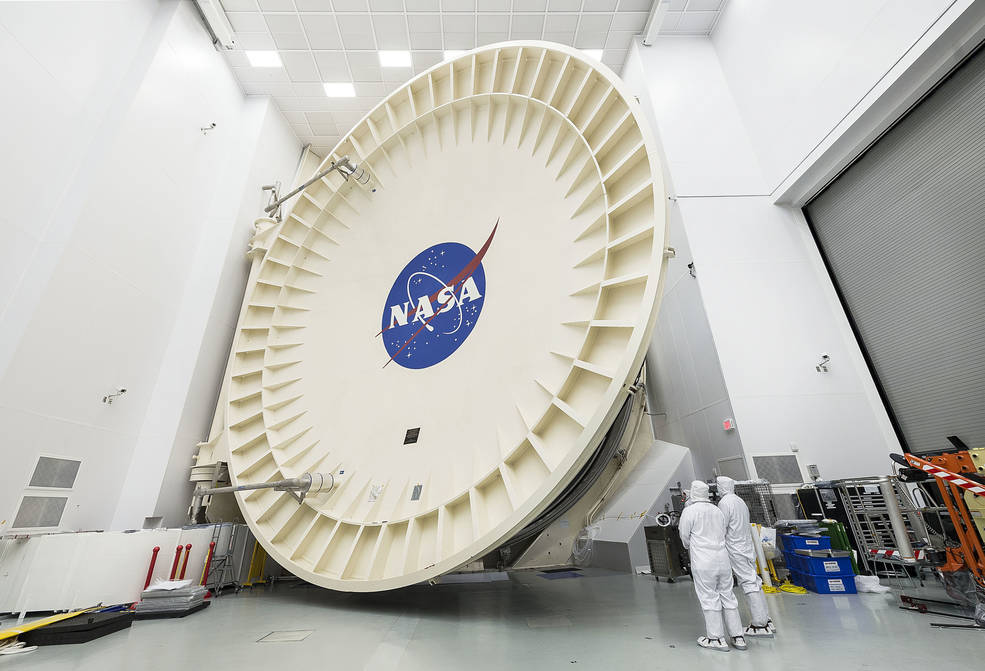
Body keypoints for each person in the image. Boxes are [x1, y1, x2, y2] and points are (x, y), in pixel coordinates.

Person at [678, 480, 746, 652]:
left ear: (693, 493)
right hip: (723, 559)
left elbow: (684, 536)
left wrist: (693, 545)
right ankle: (738, 637)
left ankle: (715, 638)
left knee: (709, 598)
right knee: (728, 597)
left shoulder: (689, 511)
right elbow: (723, 531)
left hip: (703, 561)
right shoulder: (717, 510)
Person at [716, 476, 776, 637]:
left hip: (735, 547)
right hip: (747, 546)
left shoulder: (725, 503)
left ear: (722, 487)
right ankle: (765, 618)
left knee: (748, 583)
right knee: (755, 581)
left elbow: (722, 526)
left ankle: (759, 624)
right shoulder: (739, 501)